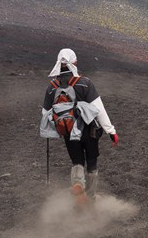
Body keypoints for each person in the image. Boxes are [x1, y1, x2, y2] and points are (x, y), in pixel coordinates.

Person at [39, 48, 119, 205]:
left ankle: (77, 184)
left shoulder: (52, 87)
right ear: (74, 62)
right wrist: (112, 132)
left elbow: (45, 113)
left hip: (68, 131)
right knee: (91, 161)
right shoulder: (85, 83)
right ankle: (90, 197)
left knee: (77, 161)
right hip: (89, 131)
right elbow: (99, 110)